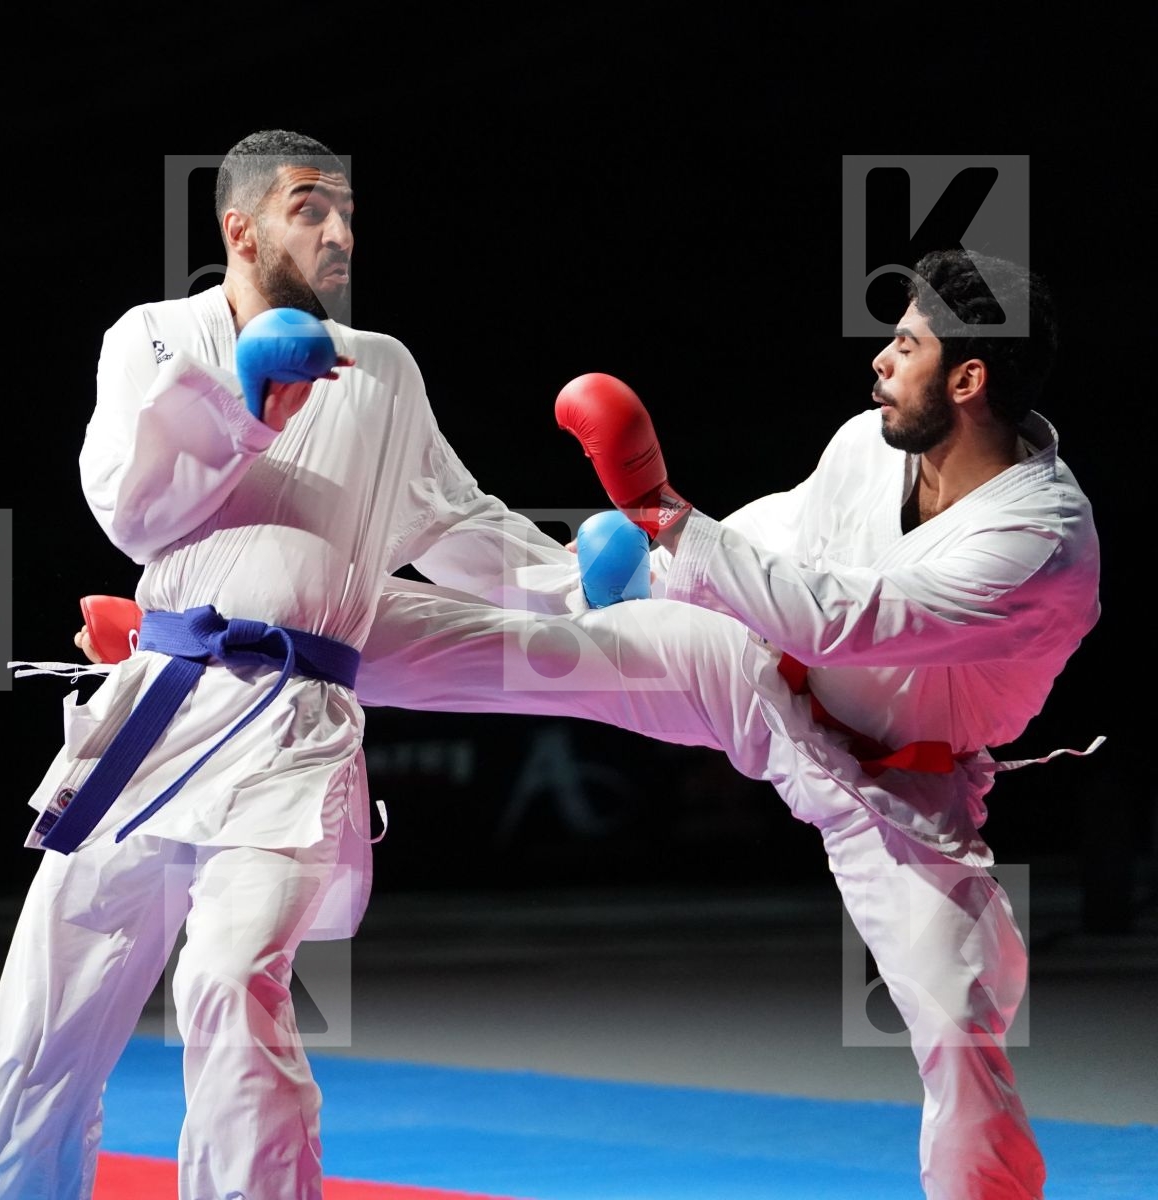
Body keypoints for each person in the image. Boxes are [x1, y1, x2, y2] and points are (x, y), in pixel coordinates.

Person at [68, 250, 1096, 1199]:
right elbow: (788, 542)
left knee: (961, 1033)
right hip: (754, 676)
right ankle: (210, 638)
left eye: (908, 345)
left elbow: (849, 619)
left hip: (898, 791)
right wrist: (646, 570)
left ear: (968, 383)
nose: (880, 357)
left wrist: (661, 515)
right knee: (538, 658)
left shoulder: (1039, 543)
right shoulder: (865, 447)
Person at [0, 129, 576, 1199]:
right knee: (37, 1032)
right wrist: (246, 409)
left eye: (346, 212)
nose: (339, 232)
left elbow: (461, 524)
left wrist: (580, 581)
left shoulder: (380, 368)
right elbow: (126, 509)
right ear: (239, 229)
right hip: (157, 714)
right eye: (310, 209)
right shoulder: (155, 338)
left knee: (231, 984)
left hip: (295, 731)